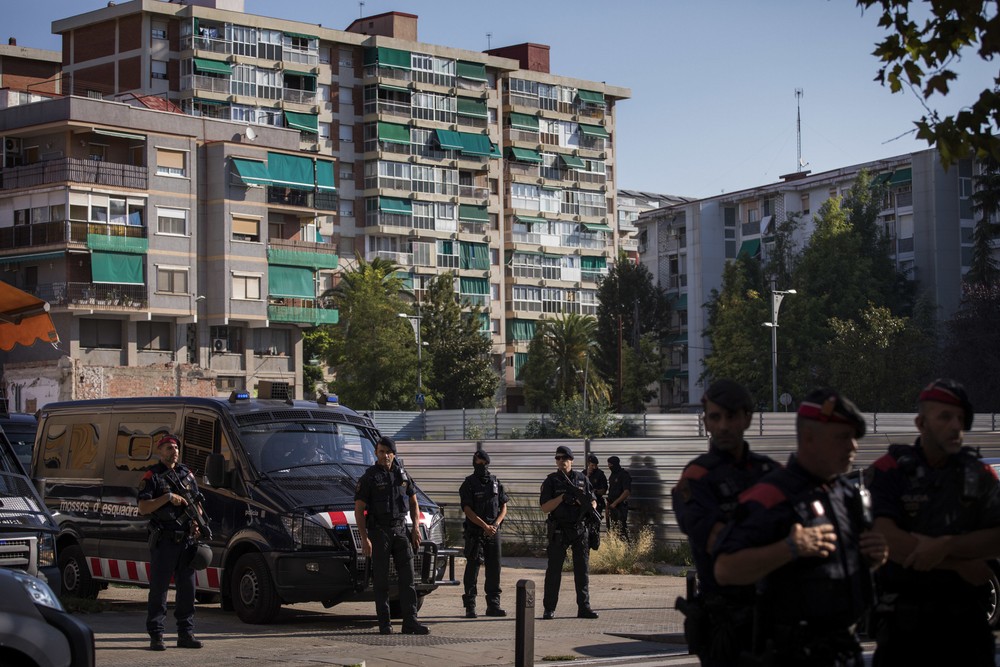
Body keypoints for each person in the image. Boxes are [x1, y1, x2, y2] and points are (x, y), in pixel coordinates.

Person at [714, 389, 889, 667]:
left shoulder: (846, 494)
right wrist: (790, 548)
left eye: (854, 437)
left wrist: (875, 558)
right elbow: (725, 569)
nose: (853, 446)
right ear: (809, 438)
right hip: (793, 653)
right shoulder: (772, 495)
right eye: (843, 437)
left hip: (845, 648)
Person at [868, 379, 1000, 667]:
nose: (956, 426)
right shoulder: (890, 470)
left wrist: (945, 545)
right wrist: (958, 563)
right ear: (921, 422)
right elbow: (888, 539)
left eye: (961, 418)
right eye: (945, 417)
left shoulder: (980, 474)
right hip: (905, 631)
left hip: (967, 629)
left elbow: (996, 539)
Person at [671, 379, 780, 666]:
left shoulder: (769, 471)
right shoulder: (696, 478)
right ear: (705, 422)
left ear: (747, 418)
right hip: (727, 623)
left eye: (731, 416)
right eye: (715, 417)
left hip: (776, 617)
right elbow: (723, 548)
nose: (723, 426)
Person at [354, 435, 429, 635]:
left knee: (408, 579)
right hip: (379, 532)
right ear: (376, 453)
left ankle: (410, 622)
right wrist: (364, 537)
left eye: (388, 452)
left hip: (400, 530)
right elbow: (359, 509)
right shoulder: (369, 477)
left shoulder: (402, 475)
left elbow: (414, 502)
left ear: (394, 454)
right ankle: (385, 623)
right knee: (381, 580)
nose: (385, 456)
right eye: (381, 452)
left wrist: (415, 528)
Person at [137, 434, 206, 651]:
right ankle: (156, 635)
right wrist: (167, 498)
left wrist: (197, 522)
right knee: (159, 591)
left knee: (188, 590)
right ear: (160, 451)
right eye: (168, 447)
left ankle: (185, 633)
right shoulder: (153, 476)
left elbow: (197, 502)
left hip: (186, 541)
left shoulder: (187, 474)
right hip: (165, 541)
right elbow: (143, 508)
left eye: (176, 447)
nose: (173, 450)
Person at [539, 444, 599, 620]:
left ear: (571, 460)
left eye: (564, 458)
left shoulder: (582, 478)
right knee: (554, 571)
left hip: (579, 529)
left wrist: (585, 504)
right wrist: (562, 498)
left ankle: (584, 608)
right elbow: (544, 507)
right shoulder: (551, 481)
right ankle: (549, 608)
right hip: (559, 529)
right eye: (557, 458)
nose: (560, 461)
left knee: (582, 571)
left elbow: (593, 501)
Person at [459, 449, 509, 618]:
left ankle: (493, 605)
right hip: (475, 532)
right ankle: (470, 606)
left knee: (494, 569)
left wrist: (495, 524)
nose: (480, 465)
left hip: (493, 532)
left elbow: (504, 506)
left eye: (482, 462)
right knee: (472, 569)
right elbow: (467, 509)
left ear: (487, 463)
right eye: (477, 462)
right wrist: (484, 526)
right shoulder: (469, 483)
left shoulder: (495, 482)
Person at [606, 455, 632, 540]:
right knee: (614, 530)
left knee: (622, 530)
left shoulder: (624, 475)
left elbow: (627, 492)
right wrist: (608, 505)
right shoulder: (613, 475)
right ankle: (617, 549)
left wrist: (615, 503)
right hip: (612, 506)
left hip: (620, 507)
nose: (609, 466)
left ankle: (627, 549)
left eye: (610, 464)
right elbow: (611, 491)